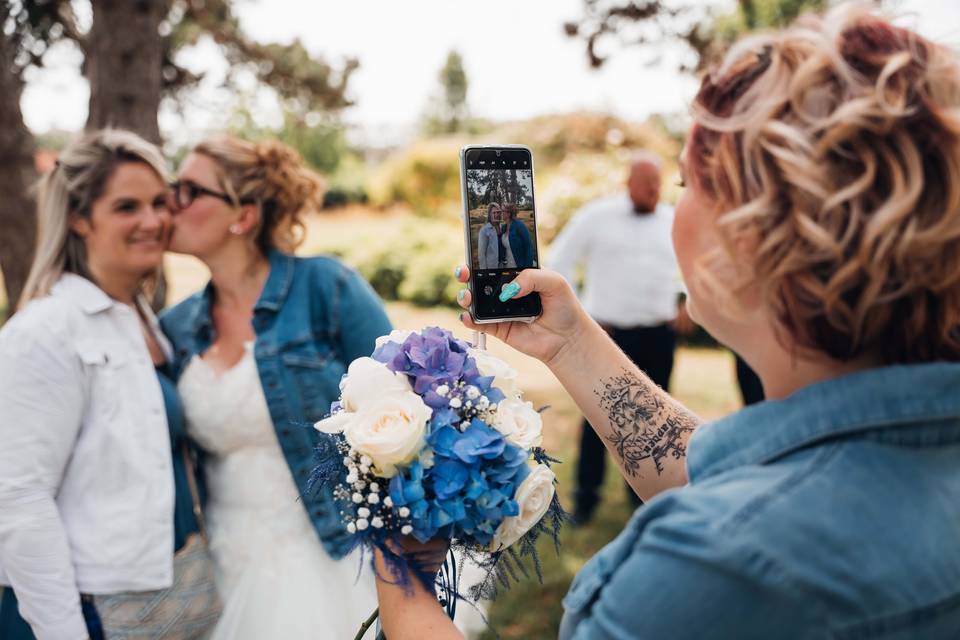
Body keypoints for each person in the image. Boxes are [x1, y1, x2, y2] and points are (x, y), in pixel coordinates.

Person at [377, 6, 960, 638]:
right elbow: (705, 466)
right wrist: (571, 342)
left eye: (688, 185)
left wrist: (399, 577)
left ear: (750, 239)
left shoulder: (707, 569)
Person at [159, 135, 392, 638]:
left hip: (329, 546)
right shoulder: (174, 327)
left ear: (242, 215)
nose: (170, 201)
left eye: (189, 190)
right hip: (219, 559)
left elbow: (406, 400)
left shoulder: (326, 289)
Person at [0, 129, 220, 639]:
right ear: (79, 218)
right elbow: (19, 500)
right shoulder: (44, 332)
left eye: (159, 203)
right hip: (82, 614)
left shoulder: (145, 323)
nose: (153, 221)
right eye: (127, 207)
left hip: (163, 602)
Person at [548, 153, 690, 522]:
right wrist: (582, 313)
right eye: (647, 182)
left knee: (657, 418)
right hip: (611, 335)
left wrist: (686, 302)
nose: (654, 189)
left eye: (659, 183)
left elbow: (693, 264)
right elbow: (559, 260)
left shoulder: (671, 220)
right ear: (628, 182)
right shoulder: (597, 217)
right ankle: (585, 500)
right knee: (599, 417)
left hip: (660, 334)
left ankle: (646, 499)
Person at [502, 203, 535, 269]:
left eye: (503, 211)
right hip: (508, 265)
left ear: (509, 214)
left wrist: (527, 268)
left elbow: (528, 247)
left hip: (520, 266)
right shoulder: (504, 227)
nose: (501, 213)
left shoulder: (519, 225)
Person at [477, 202, 502, 269]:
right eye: (494, 213)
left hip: (503, 266)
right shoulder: (484, 230)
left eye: (498, 212)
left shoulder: (502, 227)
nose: (496, 214)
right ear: (490, 214)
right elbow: (481, 255)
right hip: (492, 267)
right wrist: (484, 272)